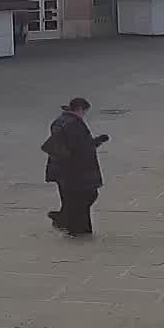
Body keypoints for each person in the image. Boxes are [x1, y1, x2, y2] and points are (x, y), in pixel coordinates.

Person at [44, 96, 108, 237]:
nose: (84, 115)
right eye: (84, 112)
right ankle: (71, 224)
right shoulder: (73, 124)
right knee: (85, 196)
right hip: (74, 169)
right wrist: (95, 142)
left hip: (61, 168)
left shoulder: (60, 121)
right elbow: (79, 147)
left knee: (71, 198)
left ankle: (68, 222)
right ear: (79, 109)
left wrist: (94, 142)